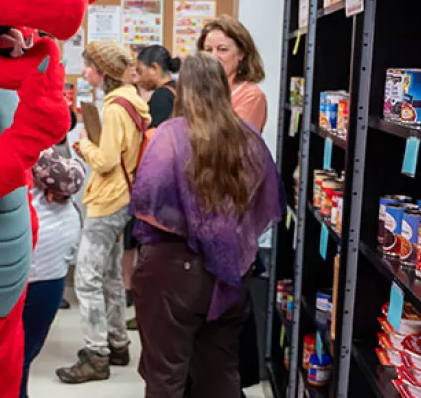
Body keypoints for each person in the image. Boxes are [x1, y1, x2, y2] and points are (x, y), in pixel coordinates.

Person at [130, 53, 284, 398]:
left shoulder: (169, 136)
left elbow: (146, 201)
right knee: (220, 372)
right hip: (229, 270)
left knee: (166, 375)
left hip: (170, 270)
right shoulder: (247, 137)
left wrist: (188, 220)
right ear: (222, 87)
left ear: (184, 90)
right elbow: (264, 201)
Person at [58, 40, 150, 384]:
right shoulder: (132, 103)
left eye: (88, 67)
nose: (84, 72)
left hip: (107, 200)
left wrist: (83, 146)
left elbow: (107, 161)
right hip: (123, 199)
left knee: (86, 279)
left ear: (103, 71)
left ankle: (96, 355)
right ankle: (118, 342)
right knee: (110, 274)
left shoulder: (113, 109)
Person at [123, 44, 181, 331]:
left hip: (158, 185)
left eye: (142, 69)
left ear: (156, 69)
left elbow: (155, 142)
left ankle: (148, 312)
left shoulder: (161, 96)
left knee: (149, 250)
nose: (139, 74)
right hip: (174, 185)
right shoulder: (178, 92)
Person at [22, 134, 85, 398]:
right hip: (32, 268)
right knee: (15, 357)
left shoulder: (34, 145)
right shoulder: (13, 137)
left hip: (43, 266)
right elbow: (70, 177)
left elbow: (68, 178)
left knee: (21, 356)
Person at [198, 15, 268, 133]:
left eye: (223, 49)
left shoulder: (251, 96)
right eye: (208, 50)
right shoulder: (200, 90)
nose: (214, 57)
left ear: (241, 53)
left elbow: (234, 144)